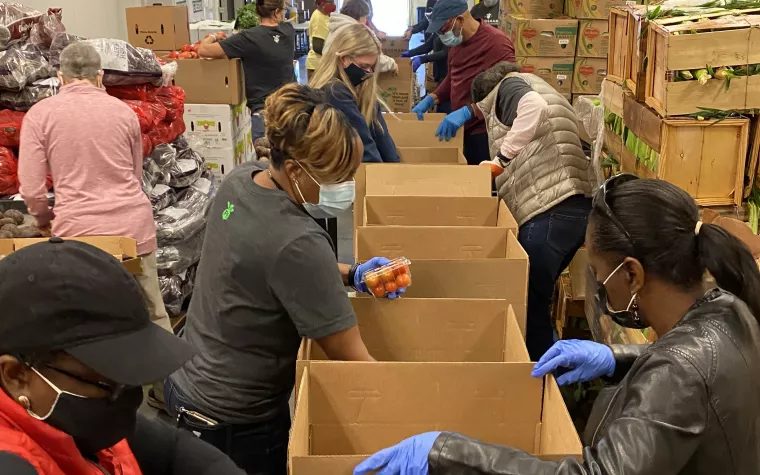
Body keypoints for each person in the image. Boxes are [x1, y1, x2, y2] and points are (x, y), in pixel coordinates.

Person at [354, 175, 760, 475]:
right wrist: (615, 357)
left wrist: (445, 452)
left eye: (599, 272)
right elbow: (697, 373)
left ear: (632, 274)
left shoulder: (679, 373)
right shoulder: (729, 306)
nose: (599, 285)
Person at [165, 84, 406, 475]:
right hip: (235, 421)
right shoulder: (299, 241)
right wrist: (420, 406)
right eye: (335, 177)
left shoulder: (241, 181)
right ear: (295, 169)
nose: (344, 188)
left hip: (187, 381)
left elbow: (262, 263)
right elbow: (350, 356)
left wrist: (353, 273)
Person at [0, 238, 248, 475]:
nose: (129, 398)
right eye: (107, 382)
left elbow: (174, 450)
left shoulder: (70, 420)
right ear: (16, 375)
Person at [441, 61, 594, 359]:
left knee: (526, 302)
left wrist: (501, 158)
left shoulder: (508, 87)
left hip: (550, 208)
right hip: (573, 203)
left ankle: (544, 379)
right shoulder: (535, 84)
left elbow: (533, 108)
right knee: (536, 297)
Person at [18, 42, 171, 334]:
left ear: (60, 78)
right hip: (132, 232)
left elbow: (32, 188)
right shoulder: (124, 113)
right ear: (99, 76)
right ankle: (166, 378)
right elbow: (135, 175)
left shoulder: (40, 115)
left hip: (78, 235)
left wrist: (43, 220)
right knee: (152, 313)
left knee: (83, 322)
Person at [411, 0, 515, 165]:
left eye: (443, 29)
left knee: (481, 184)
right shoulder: (457, 43)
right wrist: (432, 98)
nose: (442, 35)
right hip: (461, 128)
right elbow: (453, 76)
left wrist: (470, 111)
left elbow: (509, 92)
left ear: (459, 20)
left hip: (485, 132)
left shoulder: (497, 44)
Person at [198, 0, 295, 142]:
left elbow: (204, 50)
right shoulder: (289, 30)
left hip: (265, 113)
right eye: (284, 10)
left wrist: (213, 37)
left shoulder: (248, 38)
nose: (285, 13)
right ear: (276, 12)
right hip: (292, 107)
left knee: (266, 161)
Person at [311, 22, 400, 164]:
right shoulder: (334, 92)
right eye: (364, 66)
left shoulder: (360, 87)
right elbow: (364, 147)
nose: (368, 73)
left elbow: (381, 134)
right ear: (344, 59)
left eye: (371, 67)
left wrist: (397, 170)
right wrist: (384, 179)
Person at [322, 0, 397, 75]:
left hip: (328, 74)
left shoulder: (337, 27)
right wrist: (392, 64)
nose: (365, 22)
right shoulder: (354, 32)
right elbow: (369, 57)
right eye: (365, 18)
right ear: (361, 17)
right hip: (342, 77)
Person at [306, 0, 336, 76]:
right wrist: (335, 55)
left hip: (322, 64)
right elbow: (317, 47)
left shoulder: (324, 15)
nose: (333, 5)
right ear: (322, 4)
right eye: (331, 3)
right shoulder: (319, 17)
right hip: (317, 66)